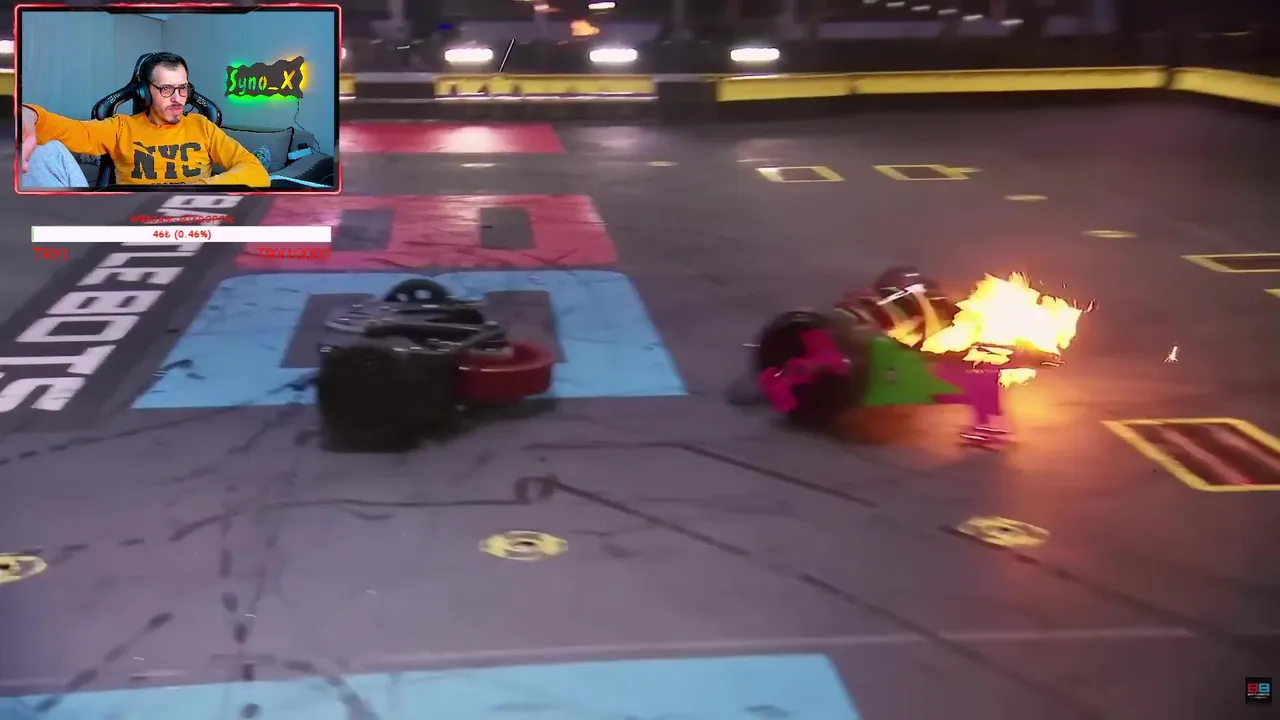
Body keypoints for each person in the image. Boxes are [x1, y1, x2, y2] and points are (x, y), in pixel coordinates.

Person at [19, 52, 270, 189]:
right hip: (130, 221)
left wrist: (199, 188)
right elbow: (68, 130)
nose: (178, 99)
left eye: (183, 88)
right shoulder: (120, 127)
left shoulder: (202, 127)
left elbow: (255, 170)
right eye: (166, 89)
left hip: (192, 217)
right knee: (43, 153)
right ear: (144, 92)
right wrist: (30, 114)